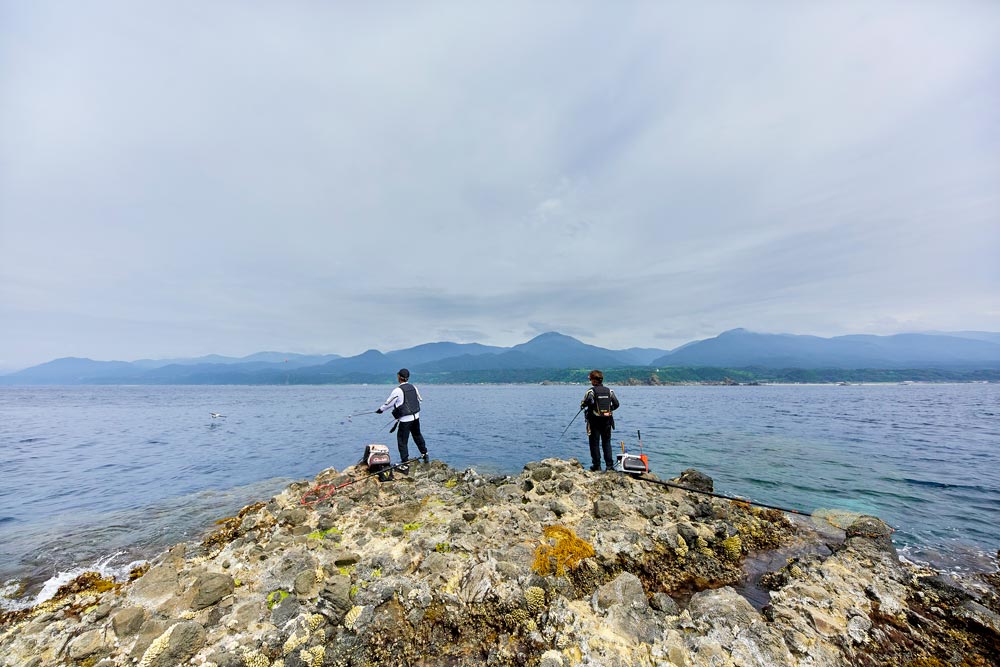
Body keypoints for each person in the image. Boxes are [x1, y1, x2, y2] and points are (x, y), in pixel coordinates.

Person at [376, 368, 428, 466]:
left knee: (402, 440)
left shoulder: (398, 390)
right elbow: (419, 399)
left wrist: (380, 410)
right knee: (417, 435)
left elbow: (388, 403)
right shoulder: (414, 387)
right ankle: (425, 454)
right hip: (416, 417)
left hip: (405, 420)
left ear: (399, 377)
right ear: (407, 378)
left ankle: (405, 461)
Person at [581, 369, 619, 471]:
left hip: (594, 421)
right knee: (607, 443)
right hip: (607, 421)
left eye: (591, 379)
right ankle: (609, 466)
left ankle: (597, 466)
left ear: (593, 380)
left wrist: (584, 405)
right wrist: (609, 410)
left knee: (594, 443)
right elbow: (616, 404)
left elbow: (587, 401)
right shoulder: (609, 391)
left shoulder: (591, 391)